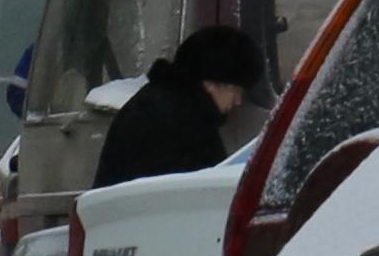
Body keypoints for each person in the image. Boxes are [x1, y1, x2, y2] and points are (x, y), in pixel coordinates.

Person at [91, 24, 264, 187]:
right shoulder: (184, 125)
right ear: (211, 83)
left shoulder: (159, 105)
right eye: (235, 90)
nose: (238, 101)